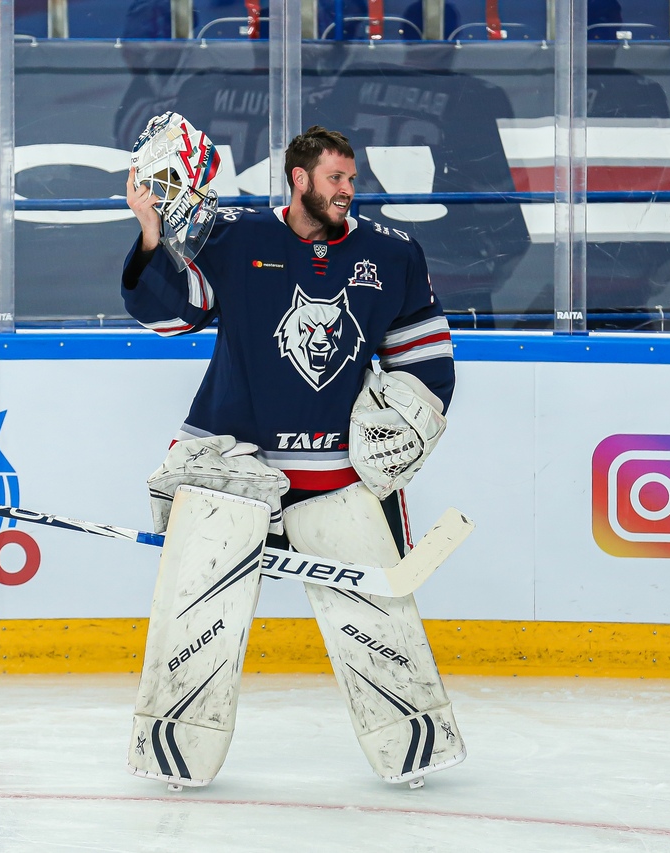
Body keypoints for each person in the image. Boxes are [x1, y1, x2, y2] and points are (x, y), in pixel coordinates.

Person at [119, 122, 466, 790]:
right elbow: (169, 317)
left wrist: (408, 421)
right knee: (199, 615)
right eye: (335, 178)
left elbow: (425, 357)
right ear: (299, 179)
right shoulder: (237, 238)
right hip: (235, 467)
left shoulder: (391, 253)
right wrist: (151, 234)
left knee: (375, 617)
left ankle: (411, 740)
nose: (347, 190)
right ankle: (177, 745)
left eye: (352, 179)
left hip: (338, 475)